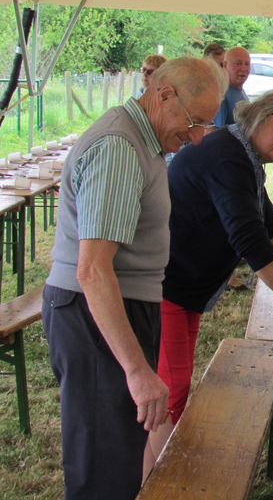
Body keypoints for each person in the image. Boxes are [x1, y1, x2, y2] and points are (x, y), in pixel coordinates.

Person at [41, 57, 225, 500]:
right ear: (164, 95)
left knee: (119, 457)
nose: (197, 136)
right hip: (96, 316)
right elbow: (93, 270)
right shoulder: (120, 148)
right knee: (104, 468)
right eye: (195, 122)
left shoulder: (141, 140)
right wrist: (138, 370)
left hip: (112, 310)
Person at [144, 89, 273, 473]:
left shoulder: (240, 152)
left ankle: (160, 471)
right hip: (164, 286)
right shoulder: (228, 156)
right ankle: (154, 479)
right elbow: (248, 236)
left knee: (173, 386)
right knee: (169, 391)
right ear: (260, 115)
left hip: (183, 285)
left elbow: (263, 212)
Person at [213, 46, 251, 127]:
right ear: (225, 66)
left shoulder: (240, 91)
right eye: (238, 63)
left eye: (247, 64)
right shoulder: (222, 95)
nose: (243, 68)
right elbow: (213, 133)